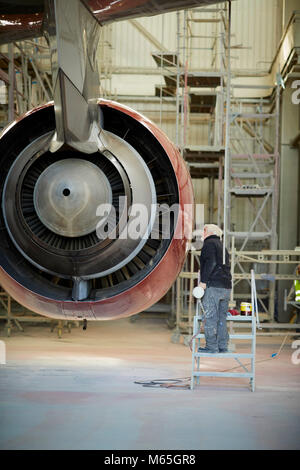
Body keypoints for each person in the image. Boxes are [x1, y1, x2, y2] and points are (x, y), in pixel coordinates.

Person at [198, 224, 232, 353]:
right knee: (222, 318)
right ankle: (223, 346)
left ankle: (211, 347)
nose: (202, 233)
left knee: (210, 317)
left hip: (214, 286)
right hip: (226, 287)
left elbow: (210, 263)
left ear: (207, 231)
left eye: (203, 230)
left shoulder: (209, 244)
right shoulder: (222, 246)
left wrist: (203, 282)